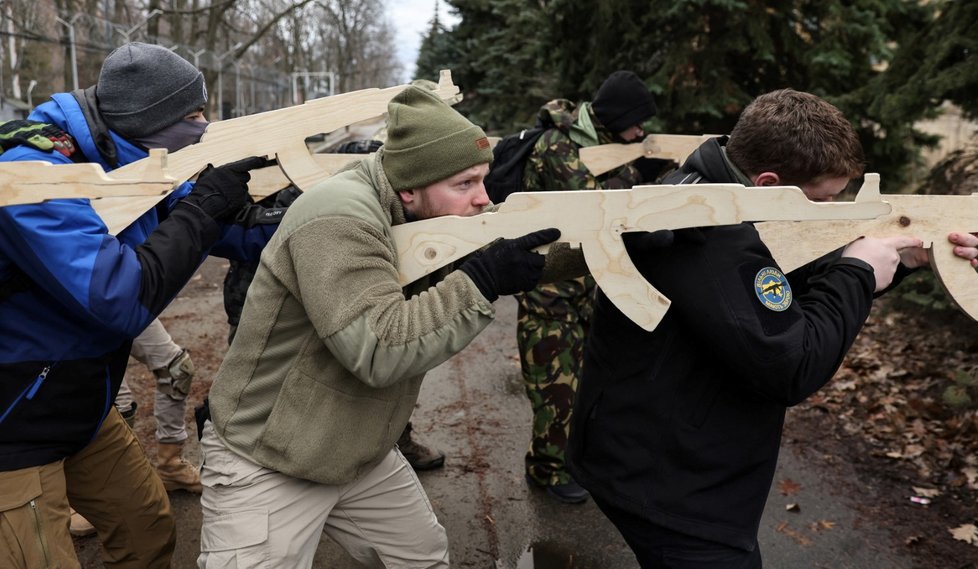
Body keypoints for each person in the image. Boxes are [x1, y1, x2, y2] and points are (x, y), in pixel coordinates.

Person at [565, 88, 978, 568]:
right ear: (767, 182)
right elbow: (792, 362)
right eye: (822, 202)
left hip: (653, 454)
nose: (827, 215)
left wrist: (901, 259)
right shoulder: (709, 235)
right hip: (671, 483)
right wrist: (856, 273)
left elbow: (786, 286)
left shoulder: (713, 193)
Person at [196, 85, 569, 568]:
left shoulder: (427, 206)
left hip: (357, 448)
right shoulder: (337, 217)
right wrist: (482, 281)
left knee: (421, 559)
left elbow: (519, 245)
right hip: (269, 456)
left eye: (483, 179)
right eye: (466, 184)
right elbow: (378, 347)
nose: (483, 200)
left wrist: (612, 246)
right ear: (410, 188)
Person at [0, 42, 275, 569]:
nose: (203, 126)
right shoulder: (34, 177)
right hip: (14, 423)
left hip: (78, 405)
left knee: (146, 531)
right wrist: (205, 204)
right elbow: (120, 298)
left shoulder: (133, 158)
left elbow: (224, 229)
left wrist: (318, 210)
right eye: (193, 115)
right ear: (148, 120)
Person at [516, 70, 659, 504]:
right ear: (615, 117)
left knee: (591, 385)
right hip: (550, 292)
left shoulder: (611, 145)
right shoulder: (558, 147)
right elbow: (598, 205)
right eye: (637, 122)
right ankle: (547, 471)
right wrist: (642, 177)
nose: (642, 131)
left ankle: (576, 459)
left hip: (589, 288)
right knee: (557, 391)